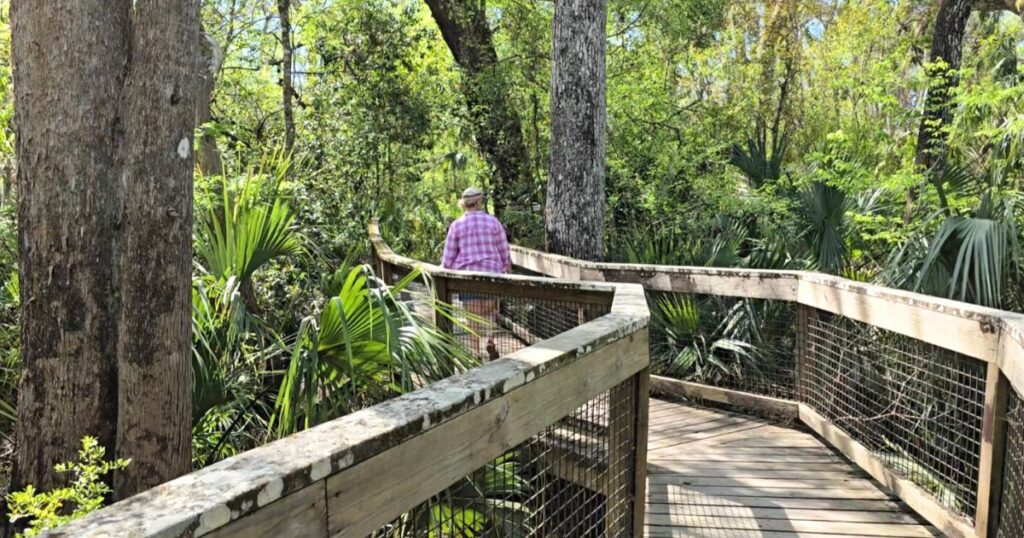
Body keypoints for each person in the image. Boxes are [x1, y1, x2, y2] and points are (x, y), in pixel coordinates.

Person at [441, 187, 511, 360]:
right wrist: (506, 267)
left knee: (472, 318)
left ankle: (475, 352)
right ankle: (490, 340)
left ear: (463, 204)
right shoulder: (493, 222)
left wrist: (444, 271)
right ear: (480, 202)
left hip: (468, 279)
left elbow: (448, 259)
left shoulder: (456, 226)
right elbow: (504, 251)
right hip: (491, 276)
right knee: (490, 312)